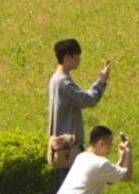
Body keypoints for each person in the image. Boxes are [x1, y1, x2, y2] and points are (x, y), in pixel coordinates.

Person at [46, 37, 111, 173]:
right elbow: (88, 100)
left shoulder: (55, 78)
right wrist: (101, 81)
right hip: (68, 148)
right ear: (67, 57)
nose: (80, 59)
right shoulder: (63, 82)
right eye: (77, 56)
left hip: (61, 147)